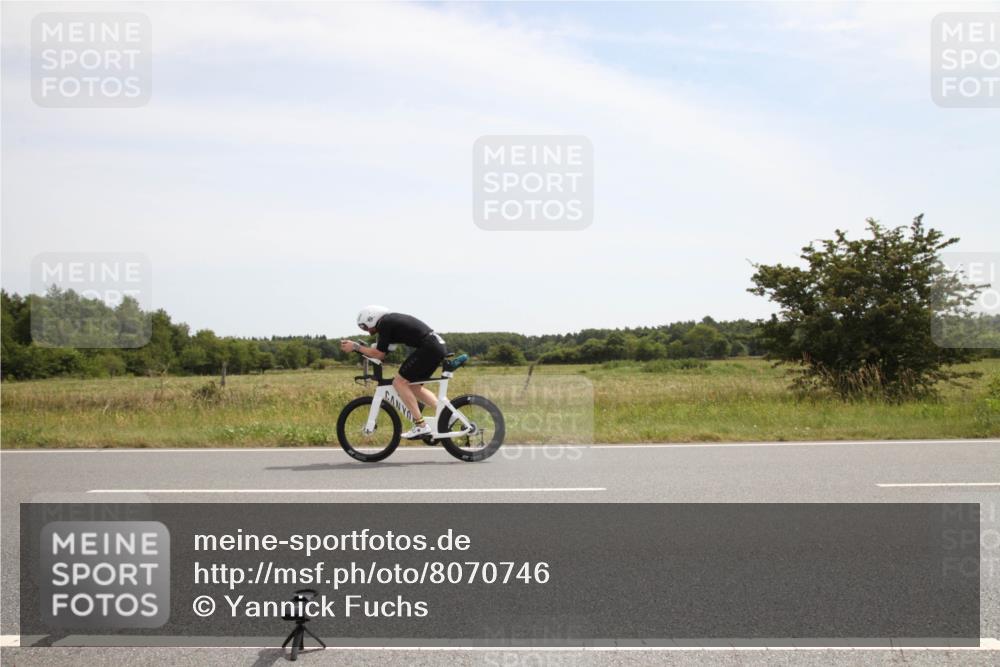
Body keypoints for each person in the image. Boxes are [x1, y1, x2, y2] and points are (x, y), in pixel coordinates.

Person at [340, 305, 446, 439]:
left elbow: (378, 355)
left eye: (366, 327)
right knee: (413, 387)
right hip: (435, 346)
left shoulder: (385, 323)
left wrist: (355, 346)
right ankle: (448, 415)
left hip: (429, 347)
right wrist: (362, 349)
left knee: (399, 382)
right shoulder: (389, 322)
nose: (368, 332)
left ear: (372, 318)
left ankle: (421, 426)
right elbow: (381, 352)